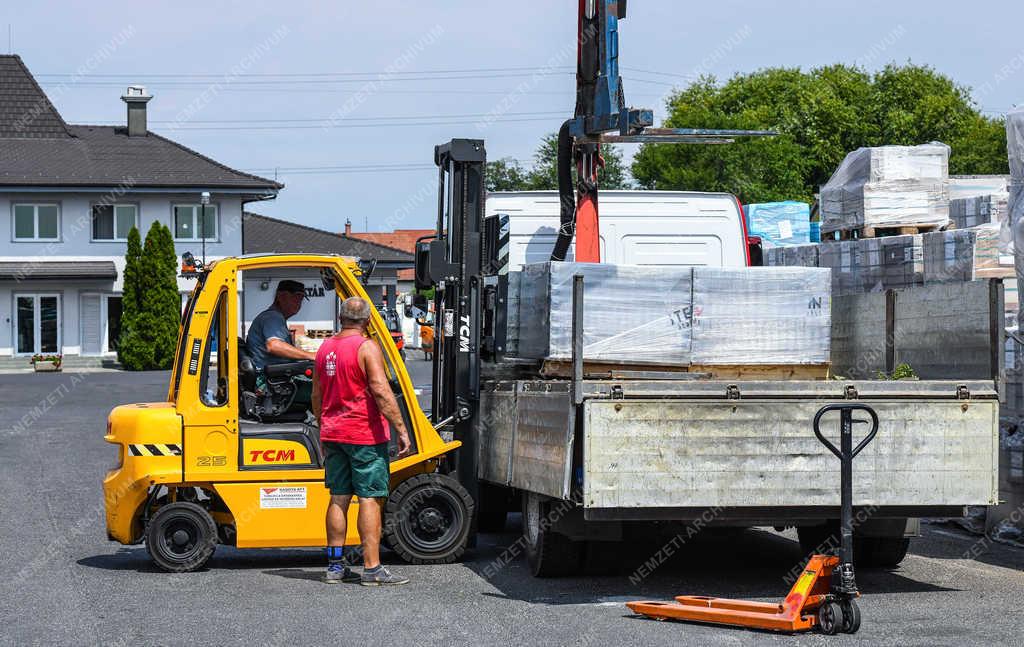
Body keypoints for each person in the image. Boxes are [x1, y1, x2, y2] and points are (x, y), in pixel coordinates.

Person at [312, 296, 412, 585]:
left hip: (333, 434)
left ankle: (334, 567)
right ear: (368, 321)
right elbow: (381, 391)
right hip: (363, 435)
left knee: (338, 497)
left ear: (341, 318)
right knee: (369, 497)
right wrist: (401, 429)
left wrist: (324, 426)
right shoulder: (367, 347)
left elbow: (316, 396)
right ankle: (372, 568)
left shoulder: (325, 349)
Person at [245, 280, 316, 371]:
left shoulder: (276, 317)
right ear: (281, 296)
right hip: (270, 379)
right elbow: (274, 345)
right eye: (295, 298)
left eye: (300, 300)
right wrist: (311, 355)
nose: (298, 304)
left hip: (275, 375)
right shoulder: (273, 317)